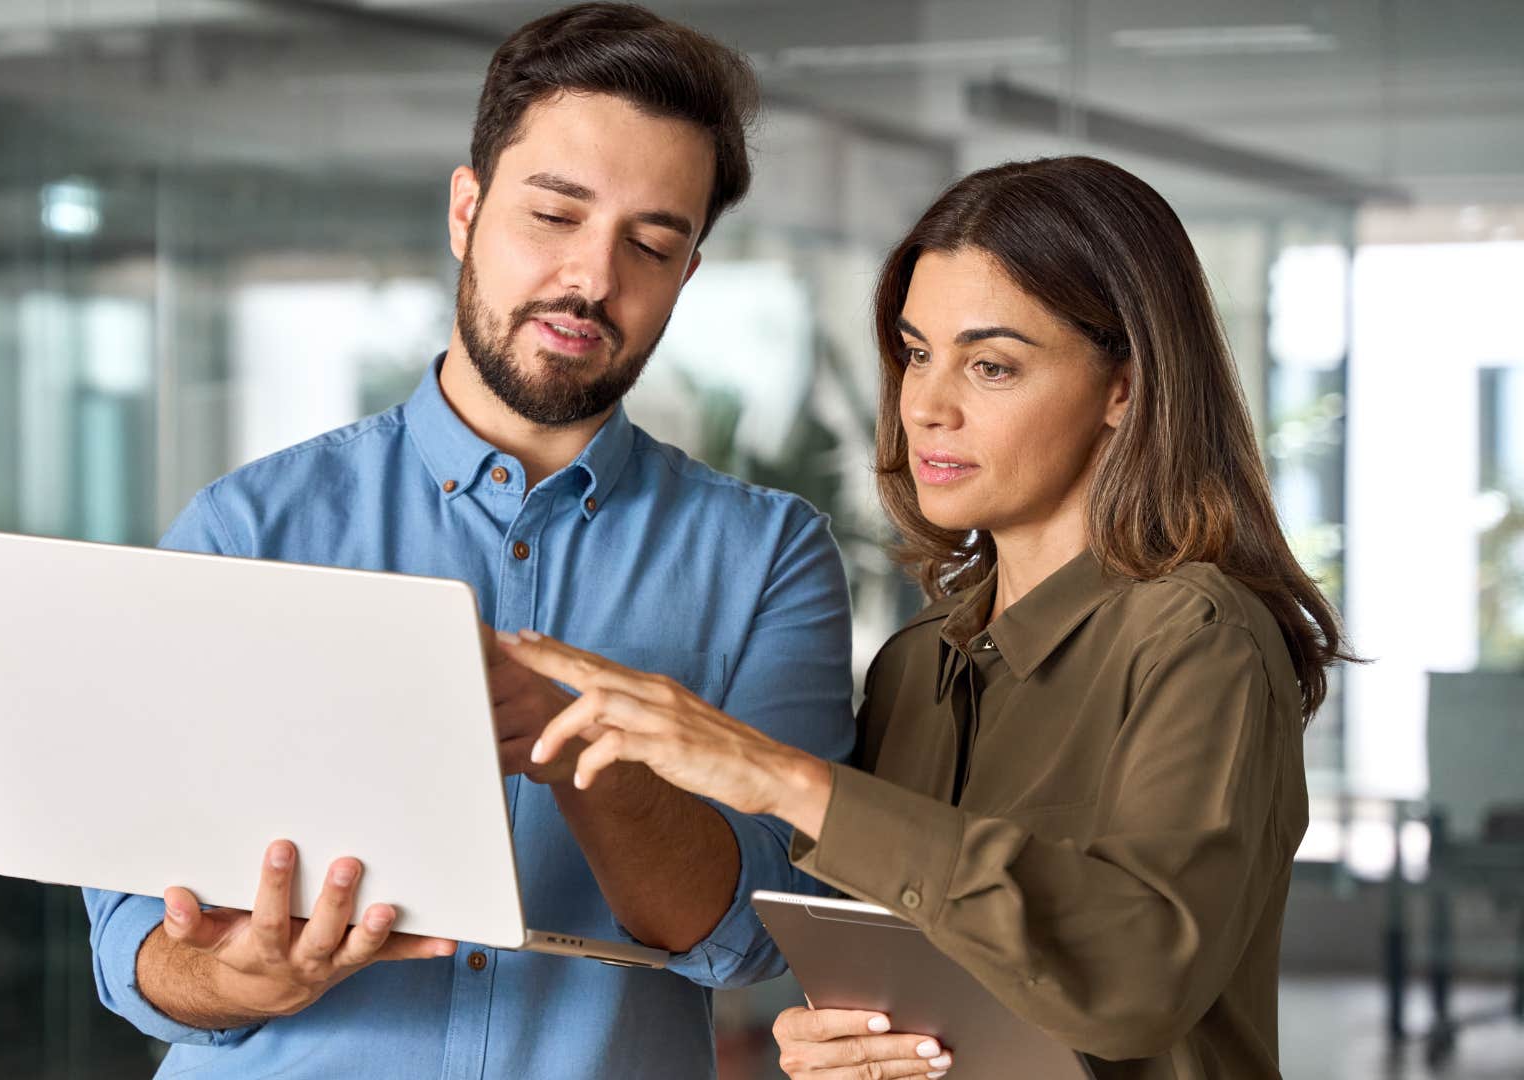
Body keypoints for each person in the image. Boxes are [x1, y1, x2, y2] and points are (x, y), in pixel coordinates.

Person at [81, 5, 856, 1077]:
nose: (593, 277)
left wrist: (578, 738)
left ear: (687, 274)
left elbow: (753, 937)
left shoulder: (769, 557)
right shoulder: (246, 529)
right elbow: (130, 941)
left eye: (652, 242)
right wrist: (238, 979)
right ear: (466, 208)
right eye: (554, 214)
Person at [504, 155, 1352, 1079]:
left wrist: (782, 778)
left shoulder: (1200, 638)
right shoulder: (916, 668)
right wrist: (832, 1038)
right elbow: (908, 987)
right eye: (916, 353)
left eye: (991, 366)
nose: (928, 407)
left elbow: (1136, 977)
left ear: (1126, 388)